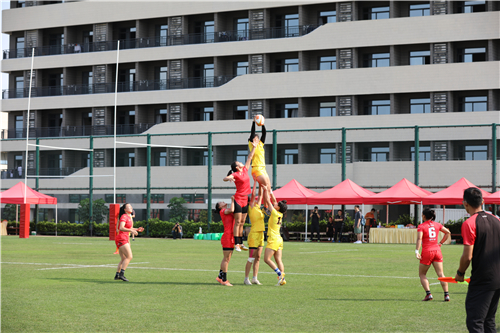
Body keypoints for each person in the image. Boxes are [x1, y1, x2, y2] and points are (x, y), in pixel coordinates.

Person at [455, 187, 500, 332]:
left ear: (465, 203)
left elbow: (467, 256)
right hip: (498, 277)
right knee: (489, 321)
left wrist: (460, 273)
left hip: (482, 279)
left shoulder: (469, 223)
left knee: (475, 322)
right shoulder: (497, 220)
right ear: (483, 201)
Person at [223, 138, 257, 251]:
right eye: (239, 163)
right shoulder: (236, 174)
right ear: (237, 167)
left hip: (245, 199)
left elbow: (249, 157)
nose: (242, 163)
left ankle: (241, 243)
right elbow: (225, 178)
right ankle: (236, 243)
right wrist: (229, 178)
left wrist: (254, 147)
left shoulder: (245, 170)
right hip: (238, 199)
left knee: (242, 222)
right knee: (237, 222)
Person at [415, 208, 451, 301]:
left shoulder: (421, 226)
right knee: (441, 274)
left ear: (423, 216)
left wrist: (416, 251)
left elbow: (419, 239)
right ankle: (446, 295)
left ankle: (428, 294)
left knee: (422, 274)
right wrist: (441, 242)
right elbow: (448, 232)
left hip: (427, 251)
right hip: (437, 250)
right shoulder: (437, 224)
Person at [262, 185, 287, 286]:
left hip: (273, 239)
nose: (275, 203)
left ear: (278, 207)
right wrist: (271, 191)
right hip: (279, 239)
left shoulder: (275, 213)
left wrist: (265, 191)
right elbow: (273, 200)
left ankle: (280, 274)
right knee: (278, 260)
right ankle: (283, 278)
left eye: (276, 204)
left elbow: (268, 201)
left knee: (267, 259)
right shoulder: (279, 214)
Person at [244, 178, 265, 285]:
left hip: (261, 234)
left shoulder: (257, 206)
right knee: (251, 258)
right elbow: (254, 194)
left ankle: (254, 278)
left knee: (258, 257)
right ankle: (246, 278)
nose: (256, 199)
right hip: (254, 235)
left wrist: (262, 184)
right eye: (253, 199)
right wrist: (256, 182)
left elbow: (260, 195)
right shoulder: (251, 206)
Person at [248, 119, 275, 202]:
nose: (256, 138)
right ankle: (267, 207)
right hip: (257, 168)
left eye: (257, 138)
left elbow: (264, 133)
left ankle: (268, 206)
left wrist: (262, 124)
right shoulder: (252, 144)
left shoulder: (260, 144)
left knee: (269, 189)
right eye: (255, 138)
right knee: (266, 188)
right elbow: (252, 132)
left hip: (263, 168)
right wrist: (253, 122)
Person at [114, 203, 139, 282]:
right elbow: (121, 227)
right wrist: (131, 230)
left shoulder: (129, 217)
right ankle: (122, 274)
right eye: (129, 207)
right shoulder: (124, 216)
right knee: (129, 256)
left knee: (124, 258)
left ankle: (117, 275)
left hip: (124, 238)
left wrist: (136, 229)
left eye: (131, 206)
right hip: (122, 238)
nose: (131, 208)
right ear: (125, 209)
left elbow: (129, 228)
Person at [215, 196, 236, 286]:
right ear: (220, 207)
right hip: (227, 237)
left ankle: (220, 277)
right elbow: (231, 210)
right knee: (226, 259)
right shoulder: (222, 211)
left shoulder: (225, 210)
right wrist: (232, 200)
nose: (223, 202)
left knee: (227, 259)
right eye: (221, 202)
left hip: (231, 237)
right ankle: (224, 280)